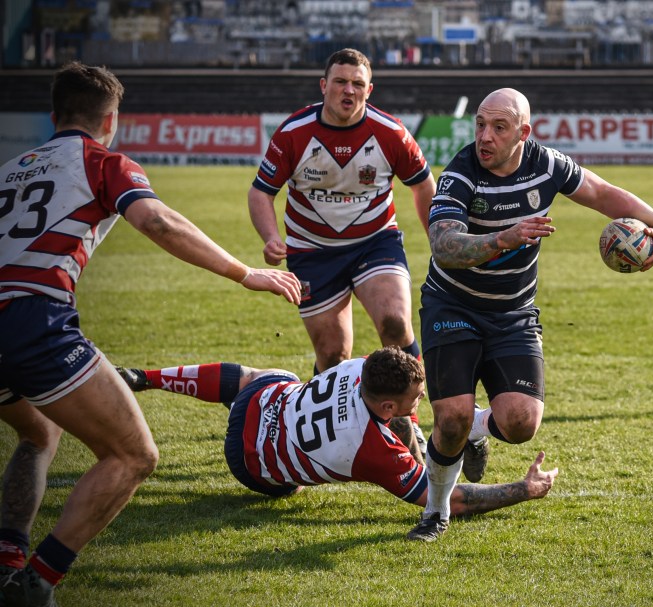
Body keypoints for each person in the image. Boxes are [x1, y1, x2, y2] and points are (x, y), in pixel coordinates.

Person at [0, 61, 302, 607]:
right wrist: (245, 272)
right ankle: (37, 583)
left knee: (38, 433)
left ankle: (7, 557)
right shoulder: (103, 161)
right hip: (29, 319)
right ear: (111, 119)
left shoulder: (10, 167)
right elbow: (158, 222)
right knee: (133, 455)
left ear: (52, 117)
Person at [409, 88, 653, 542]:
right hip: (453, 304)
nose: (484, 137)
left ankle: (479, 427)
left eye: (499, 127)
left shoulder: (547, 164)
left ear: (523, 133)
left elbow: (601, 193)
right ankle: (435, 513)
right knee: (447, 419)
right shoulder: (460, 174)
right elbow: (445, 247)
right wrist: (505, 238)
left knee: (520, 423)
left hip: (513, 313)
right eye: (480, 125)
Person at [113, 347, 557, 517]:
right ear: (385, 405)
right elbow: (448, 500)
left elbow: (389, 405)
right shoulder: (372, 449)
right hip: (254, 469)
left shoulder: (360, 366)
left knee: (268, 374)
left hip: (261, 405)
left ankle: (145, 377)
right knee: (409, 459)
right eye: (414, 400)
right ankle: (472, 433)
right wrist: (523, 488)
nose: (420, 403)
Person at [247, 48, 436, 375]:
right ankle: (322, 418)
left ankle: (409, 419)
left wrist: (439, 239)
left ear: (369, 90)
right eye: (340, 82)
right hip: (311, 250)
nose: (349, 90)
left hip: (375, 242)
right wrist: (270, 237)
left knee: (395, 323)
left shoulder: (391, 132)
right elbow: (261, 192)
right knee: (333, 353)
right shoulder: (294, 132)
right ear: (324, 85)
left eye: (357, 83)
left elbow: (423, 185)